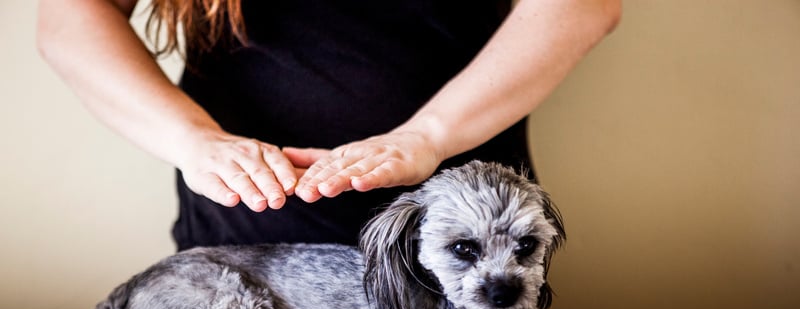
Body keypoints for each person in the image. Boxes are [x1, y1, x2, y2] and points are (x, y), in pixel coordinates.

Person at [37, 0, 621, 249]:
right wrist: (194, 140)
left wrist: (428, 136)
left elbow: (580, 4)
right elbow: (68, 15)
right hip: (243, 256)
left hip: (463, 256)